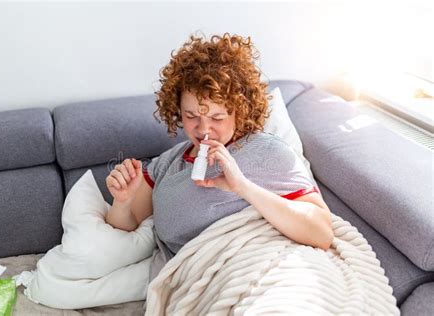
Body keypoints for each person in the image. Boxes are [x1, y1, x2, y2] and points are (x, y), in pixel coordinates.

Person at [105, 33, 334, 283]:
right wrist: (122, 202)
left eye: (217, 118)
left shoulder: (267, 151)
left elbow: (321, 232)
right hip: (202, 281)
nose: (203, 129)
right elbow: (123, 228)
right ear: (177, 110)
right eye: (191, 116)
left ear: (240, 111)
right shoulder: (167, 164)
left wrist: (243, 187)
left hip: (266, 269)